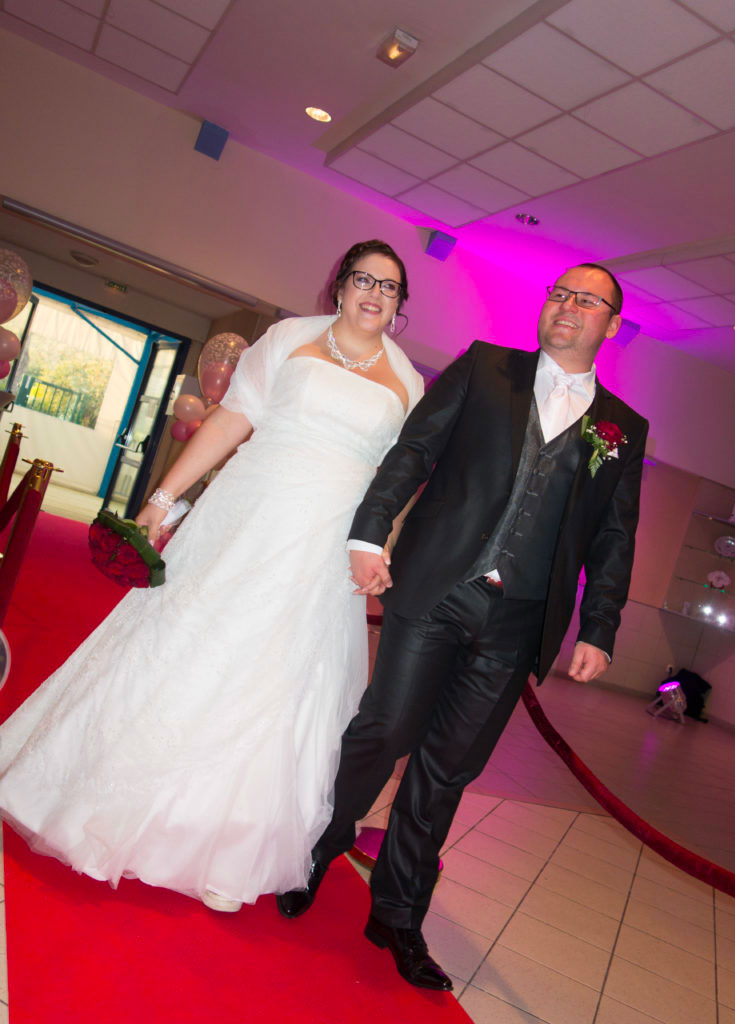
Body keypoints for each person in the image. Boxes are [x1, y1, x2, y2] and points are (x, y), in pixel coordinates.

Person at [0, 239, 423, 912]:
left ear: (400, 305)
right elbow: (230, 422)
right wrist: (163, 499)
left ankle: (227, 849)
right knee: (192, 645)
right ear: (340, 286)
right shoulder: (289, 339)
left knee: (282, 676)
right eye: (364, 279)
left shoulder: (407, 381)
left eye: (390, 286)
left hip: (324, 546)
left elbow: (394, 479)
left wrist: (382, 546)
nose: (375, 293)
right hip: (248, 518)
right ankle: (94, 800)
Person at [277, 263, 649, 990]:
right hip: (438, 586)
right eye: (559, 293)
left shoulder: (623, 429)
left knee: (448, 769)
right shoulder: (485, 368)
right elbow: (413, 452)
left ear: (611, 325)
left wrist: (599, 627)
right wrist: (369, 532)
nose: (567, 306)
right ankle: (320, 847)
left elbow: (615, 536)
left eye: (586, 300)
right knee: (384, 729)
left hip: (519, 621)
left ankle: (398, 914)